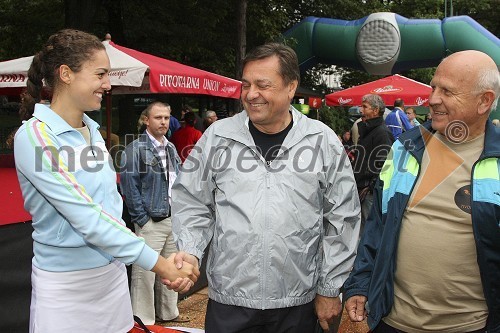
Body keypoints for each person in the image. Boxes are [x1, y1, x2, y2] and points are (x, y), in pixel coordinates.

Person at [13, 29, 199, 333]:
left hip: (111, 279)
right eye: (100, 74)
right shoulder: (34, 137)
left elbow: (111, 208)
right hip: (66, 287)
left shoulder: (93, 132)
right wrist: (162, 263)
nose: (107, 84)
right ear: (66, 74)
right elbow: (87, 218)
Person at [169, 42, 361, 333]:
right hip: (230, 302)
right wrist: (192, 251)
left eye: (263, 85)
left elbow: (343, 218)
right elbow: (192, 200)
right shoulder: (218, 137)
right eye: (246, 84)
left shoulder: (322, 141)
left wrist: (329, 287)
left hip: (298, 303)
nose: (251, 94)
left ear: (291, 87)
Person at [343, 50, 500, 332]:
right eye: (434, 87)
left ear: (484, 101)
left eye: (448, 91)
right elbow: (377, 224)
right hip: (392, 322)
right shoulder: (405, 147)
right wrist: (361, 283)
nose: (433, 99)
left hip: (471, 326)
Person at [120, 101, 191, 325]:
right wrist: (142, 219)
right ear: (146, 120)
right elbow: (128, 187)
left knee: (172, 268)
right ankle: (143, 320)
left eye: (166, 117)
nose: (163, 122)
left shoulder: (169, 147)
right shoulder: (134, 149)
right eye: (158, 117)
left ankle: (169, 313)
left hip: (172, 217)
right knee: (144, 273)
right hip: (151, 220)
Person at [352, 94, 394, 227]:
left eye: (365, 107)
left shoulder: (382, 133)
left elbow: (385, 165)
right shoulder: (369, 130)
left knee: (369, 231)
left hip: (370, 192)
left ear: (375, 111)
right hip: (362, 188)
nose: (361, 110)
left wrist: (371, 187)